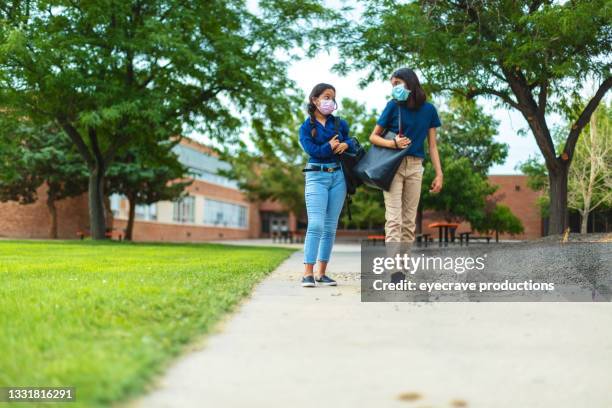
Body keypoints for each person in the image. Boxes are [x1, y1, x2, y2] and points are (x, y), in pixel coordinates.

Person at [369, 68, 443, 243]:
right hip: (393, 166)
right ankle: (393, 269)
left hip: (416, 167)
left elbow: (432, 146)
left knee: (409, 222)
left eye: (397, 83)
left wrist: (439, 174)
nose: (394, 88)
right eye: (392, 85)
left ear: (410, 82)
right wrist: (392, 143)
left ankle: (402, 267)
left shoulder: (429, 110)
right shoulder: (393, 105)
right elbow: (373, 137)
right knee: (394, 221)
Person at [298, 83, 356, 287]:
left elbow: (354, 143)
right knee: (315, 224)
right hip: (316, 176)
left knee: (330, 227)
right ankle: (307, 273)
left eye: (332, 97)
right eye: (326, 97)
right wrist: (329, 146)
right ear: (315, 100)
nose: (330, 101)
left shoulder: (340, 124)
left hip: (338, 177)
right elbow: (311, 150)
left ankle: (322, 274)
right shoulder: (306, 127)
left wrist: (346, 144)